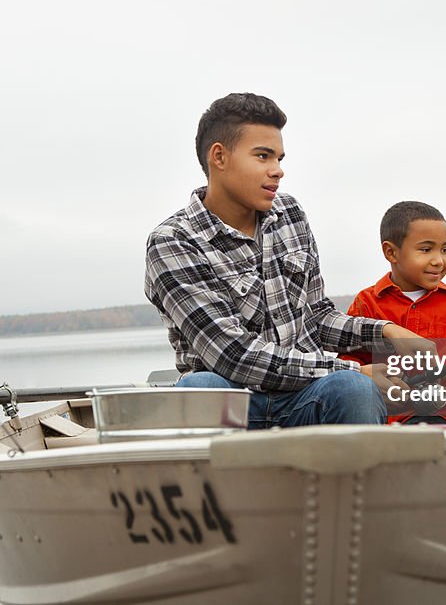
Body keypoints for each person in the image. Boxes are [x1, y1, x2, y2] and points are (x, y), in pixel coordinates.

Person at [144, 93, 427, 428]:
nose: (277, 171)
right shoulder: (173, 241)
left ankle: (359, 480)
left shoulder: (290, 214)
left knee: (354, 389)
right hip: (232, 402)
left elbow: (316, 318)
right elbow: (234, 355)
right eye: (263, 156)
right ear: (219, 157)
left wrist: (386, 332)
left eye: (278, 158)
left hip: (305, 396)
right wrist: (354, 369)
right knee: (199, 389)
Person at [342, 201, 446, 424]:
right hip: (388, 424)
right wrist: (371, 377)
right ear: (391, 252)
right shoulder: (366, 304)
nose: (438, 260)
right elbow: (348, 362)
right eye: (425, 249)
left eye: (444, 250)